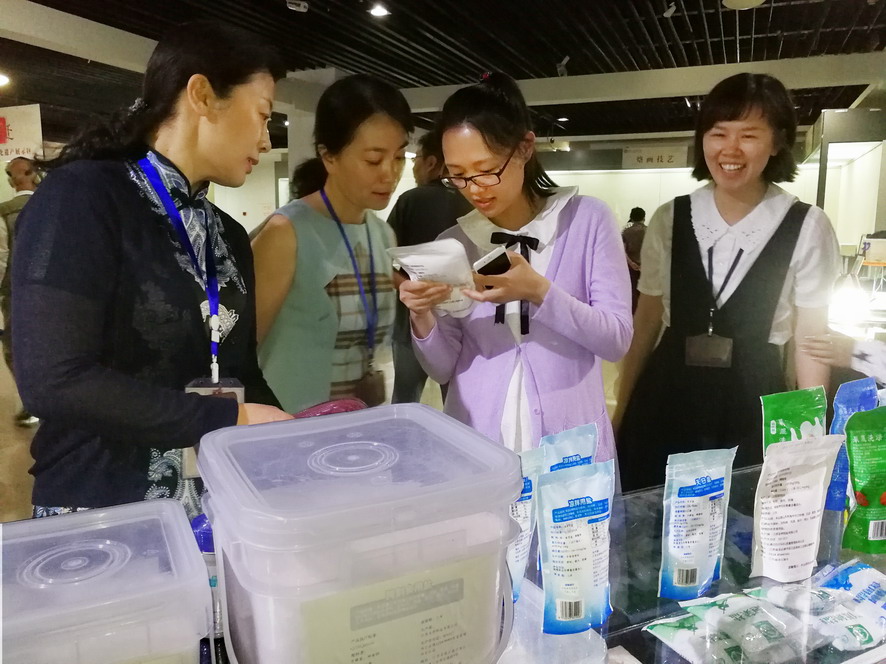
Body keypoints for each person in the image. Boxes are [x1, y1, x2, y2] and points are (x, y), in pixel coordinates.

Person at [12, 21, 293, 518]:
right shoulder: (83, 197)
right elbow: (54, 381)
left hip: (213, 502)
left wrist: (291, 430)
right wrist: (228, 417)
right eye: (262, 115)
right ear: (202, 95)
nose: (265, 141)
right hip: (103, 507)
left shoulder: (226, 232)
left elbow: (240, 372)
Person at [615, 73, 841, 491]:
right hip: (667, 397)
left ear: (777, 142)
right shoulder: (670, 218)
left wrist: (812, 438)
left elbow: (809, 339)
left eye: (748, 135)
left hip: (755, 400)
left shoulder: (807, 225)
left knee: (747, 512)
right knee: (655, 510)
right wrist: (620, 411)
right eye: (718, 133)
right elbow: (645, 322)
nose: (730, 149)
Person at [398, 73, 632, 462]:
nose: (475, 188)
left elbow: (616, 339)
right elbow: (442, 369)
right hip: (478, 442)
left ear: (524, 148)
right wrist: (421, 316)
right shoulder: (454, 243)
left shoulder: (587, 220)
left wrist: (539, 292)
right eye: (458, 175)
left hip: (568, 445)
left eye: (487, 169)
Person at [252, 74, 412, 413]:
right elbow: (240, 350)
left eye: (399, 157)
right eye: (373, 159)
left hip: (360, 425)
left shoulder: (382, 234)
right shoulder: (286, 233)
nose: (390, 173)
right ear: (329, 157)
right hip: (292, 425)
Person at [388, 128, 472, 403]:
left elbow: (382, 259)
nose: (413, 166)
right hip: (463, 314)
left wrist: (411, 289)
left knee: (405, 396)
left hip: (413, 318)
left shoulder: (411, 200)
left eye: (416, 158)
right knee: (458, 396)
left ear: (432, 162)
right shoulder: (471, 201)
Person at [1, 156, 41, 426]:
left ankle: (31, 402)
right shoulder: (55, 206)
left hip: (16, 291)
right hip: (56, 290)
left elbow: (1, 256)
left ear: (9, 180)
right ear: (35, 175)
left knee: (15, 346)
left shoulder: (4, 212)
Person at [622, 206, 646, 313]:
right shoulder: (649, 231)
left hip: (630, 268)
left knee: (632, 293)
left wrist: (631, 263)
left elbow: (622, 251)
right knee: (646, 292)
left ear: (631, 218)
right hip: (647, 267)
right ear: (644, 217)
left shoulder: (626, 232)